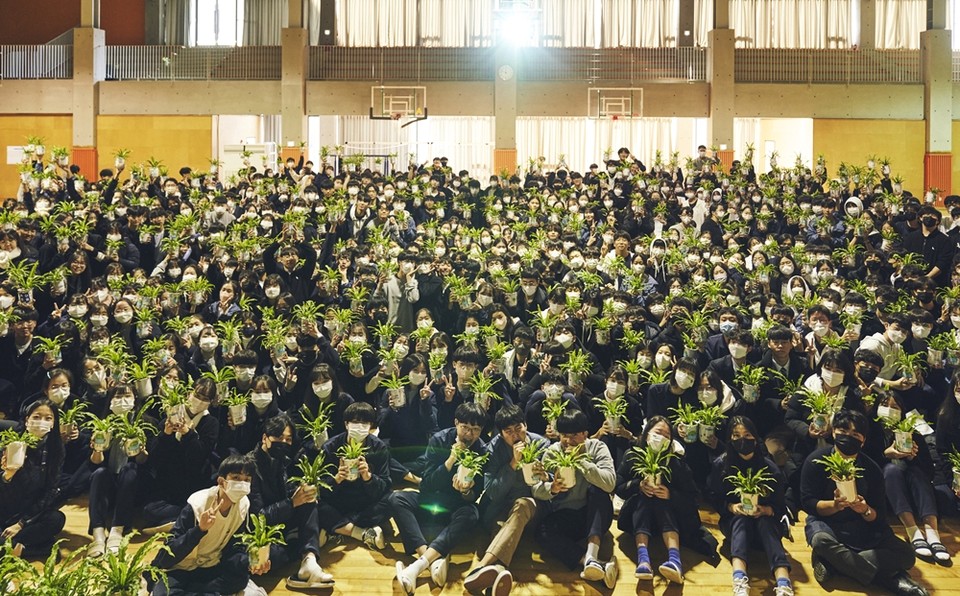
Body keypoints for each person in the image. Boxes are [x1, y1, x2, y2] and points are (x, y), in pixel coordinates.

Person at [800, 409, 927, 596]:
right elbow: (809, 504)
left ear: (863, 440)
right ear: (833, 432)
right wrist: (834, 506)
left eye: (855, 434)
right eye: (843, 432)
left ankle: (834, 562)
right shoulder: (816, 461)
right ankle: (887, 580)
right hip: (828, 525)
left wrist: (865, 509)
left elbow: (880, 516)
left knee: (907, 556)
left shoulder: (872, 469)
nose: (848, 437)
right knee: (820, 540)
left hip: (862, 529)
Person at [392, 403, 488, 594]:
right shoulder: (439, 440)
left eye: (475, 430)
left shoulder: (482, 450)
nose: (469, 434)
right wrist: (450, 460)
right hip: (430, 500)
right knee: (397, 499)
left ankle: (416, 567)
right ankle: (430, 561)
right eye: (465, 427)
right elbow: (426, 485)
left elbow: (474, 495)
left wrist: (466, 492)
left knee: (471, 514)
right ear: (456, 423)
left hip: (455, 505)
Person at [150, 454, 268, 596]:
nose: (242, 484)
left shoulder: (243, 505)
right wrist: (200, 529)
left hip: (210, 566)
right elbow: (169, 554)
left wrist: (251, 562)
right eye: (236, 478)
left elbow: (234, 548)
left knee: (240, 578)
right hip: (179, 568)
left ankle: (193, 590)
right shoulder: (197, 504)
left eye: (247, 480)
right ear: (221, 481)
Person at [464, 404, 549, 595]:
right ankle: (496, 575)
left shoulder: (542, 444)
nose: (515, 435)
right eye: (508, 431)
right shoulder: (493, 449)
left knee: (522, 504)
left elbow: (551, 486)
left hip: (531, 507)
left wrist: (545, 477)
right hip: (500, 506)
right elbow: (493, 492)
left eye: (518, 428)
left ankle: (481, 566)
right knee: (500, 525)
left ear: (526, 425)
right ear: (501, 434)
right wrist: (513, 463)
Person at [708, 415, 794, 596]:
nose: (742, 440)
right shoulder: (721, 465)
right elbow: (714, 498)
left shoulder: (770, 468)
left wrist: (767, 510)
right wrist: (731, 507)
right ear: (730, 438)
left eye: (747, 435)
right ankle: (739, 579)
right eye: (736, 435)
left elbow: (780, 505)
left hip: (766, 525)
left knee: (765, 522)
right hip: (735, 524)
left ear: (755, 437)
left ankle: (784, 583)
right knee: (740, 519)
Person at [532, 409, 618, 589]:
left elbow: (610, 484)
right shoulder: (552, 452)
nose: (568, 441)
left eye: (574, 436)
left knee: (598, 490)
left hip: (595, 513)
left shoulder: (597, 447)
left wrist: (583, 462)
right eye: (564, 435)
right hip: (567, 515)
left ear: (585, 434)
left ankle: (592, 553)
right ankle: (593, 563)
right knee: (542, 532)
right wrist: (552, 489)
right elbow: (536, 490)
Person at [248, 414, 334, 589]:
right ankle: (305, 543)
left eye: (288, 439)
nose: (284, 443)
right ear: (265, 438)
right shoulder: (249, 466)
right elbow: (256, 518)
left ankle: (309, 560)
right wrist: (292, 502)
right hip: (259, 531)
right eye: (279, 438)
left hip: (281, 519)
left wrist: (298, 491)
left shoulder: (281, 461)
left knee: (308, 499)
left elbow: (285, 492)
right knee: (274, 558)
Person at [316, 402, 393, 550]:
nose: (360, 426)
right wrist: (336, 479)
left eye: (365, 423)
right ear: (346, 424)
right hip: (339, 501)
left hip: (365, 501)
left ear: (370, 426)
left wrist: (369, 477)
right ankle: (361, 532)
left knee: (391, 501)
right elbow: (321, 487)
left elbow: (385, 484)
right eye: (355, 422)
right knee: (315, 503)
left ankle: (336, 527)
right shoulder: (331, 447)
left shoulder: (379, 447)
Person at [0, 399, 66, 558]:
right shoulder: (11, 442)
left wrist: (21, 523)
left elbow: (50, 491)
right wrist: (7, 475)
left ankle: (11, 546)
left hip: (28, 512)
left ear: (53, 424)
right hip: (4, 507)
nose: (41, 422)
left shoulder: (56, 449)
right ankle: (33, 550)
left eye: (48, 418)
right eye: (36, 417)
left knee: (56, 519)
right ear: (26, 419)